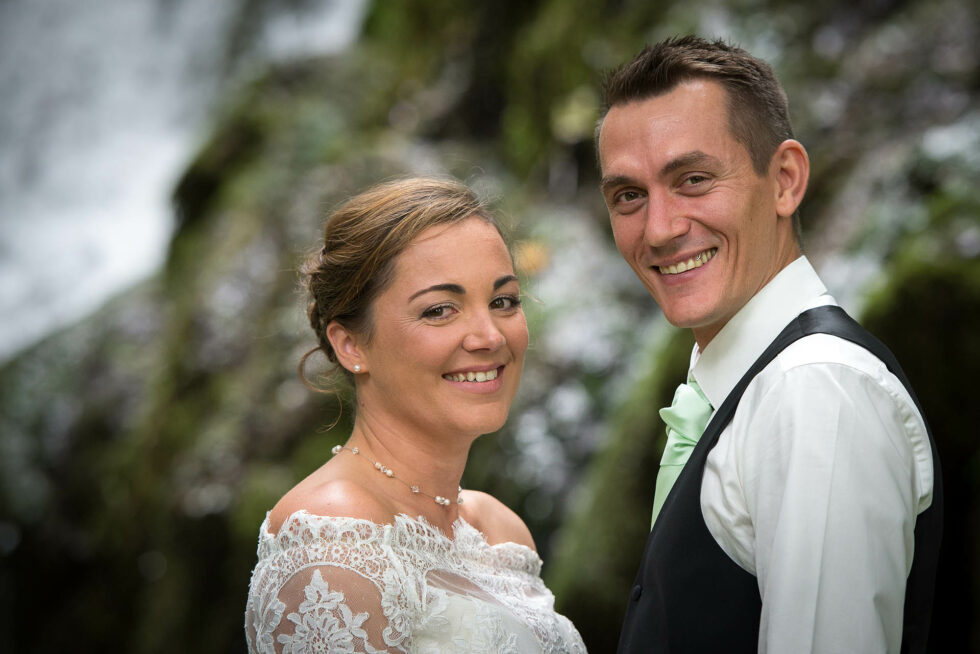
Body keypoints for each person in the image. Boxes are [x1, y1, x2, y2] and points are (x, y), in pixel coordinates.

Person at [596, 36, 942, 653]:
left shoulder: (815, 391)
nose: (659, 229)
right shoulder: (755, 382)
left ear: (784, 180)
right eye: (629, 195)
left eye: (693, 180)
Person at [243, 177, 586, 653]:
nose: (489, 336)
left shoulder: (500, 531)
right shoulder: (335, 541)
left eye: (502, 301)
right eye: (440, 310)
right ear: (351, 344)